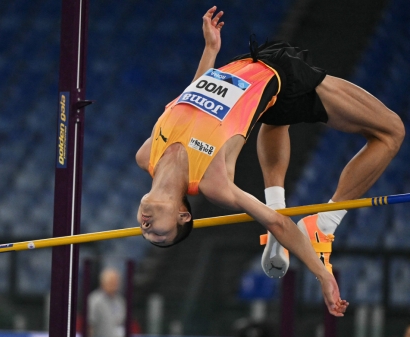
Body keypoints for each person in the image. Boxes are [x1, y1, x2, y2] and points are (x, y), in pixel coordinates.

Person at [135, 4, 403, 316]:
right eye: (159, 235)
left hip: (248, 70)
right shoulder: (212, 182)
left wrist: (210, 50)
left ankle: (278, 199)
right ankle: (326, 221)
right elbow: (277, 224)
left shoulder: (147, 154)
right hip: (282, 77)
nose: (147, 229)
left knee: (274, 118)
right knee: (392, 131)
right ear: (183, 215)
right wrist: (323, 275)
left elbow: (189, 101)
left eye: (146, 233)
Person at [87, 268, 126, 337]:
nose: (114, 284)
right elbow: (89, 325)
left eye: (116, 281)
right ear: (103, 282)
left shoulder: (120, 301)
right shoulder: (95, 300)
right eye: (111, 282)